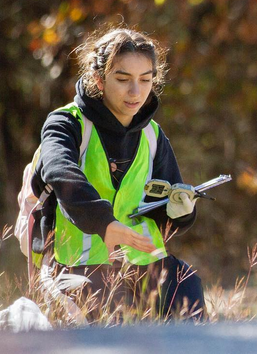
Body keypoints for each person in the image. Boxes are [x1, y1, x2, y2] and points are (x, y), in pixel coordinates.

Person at [31, 27, 205, 320]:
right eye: (123, 79)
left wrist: (181, 211)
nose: (136, 92)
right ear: (99, 79)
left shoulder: (153, 135)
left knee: (187, 287)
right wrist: (105, 223)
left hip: (146, 266)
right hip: (77, 266)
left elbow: (166, 215)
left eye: (146, 80)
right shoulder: (65, 123)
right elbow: (60, 172)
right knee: (111, 322)